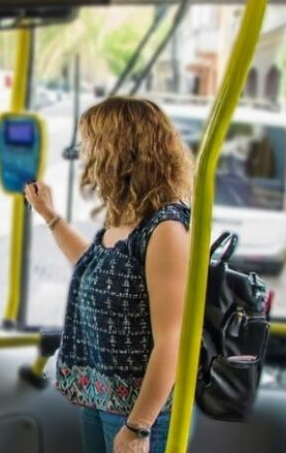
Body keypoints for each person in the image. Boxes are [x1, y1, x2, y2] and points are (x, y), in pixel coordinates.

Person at [24, 97, 193, 453]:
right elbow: (94, 264)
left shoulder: (166, 229)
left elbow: (172, 339)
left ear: (119, 152)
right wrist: (49, 215)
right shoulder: (126, 215)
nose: (86, 154)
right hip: (104, 399)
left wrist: (138, 427)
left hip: (144, 412)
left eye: (92, 143)